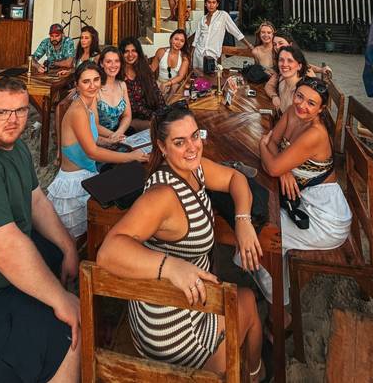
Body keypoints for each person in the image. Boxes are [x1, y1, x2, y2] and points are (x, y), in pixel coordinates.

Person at [96, 102, 265, 380]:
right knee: (247, 299)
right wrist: (172, 266)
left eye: (195, 136)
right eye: (179, 142)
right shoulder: (162, 195)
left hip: (177, 300)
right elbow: (109, 251)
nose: (192, 147)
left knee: (242, 295)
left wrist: (243, 220)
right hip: (171, 328)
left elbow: (235, 177)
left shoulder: (193, 169)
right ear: (162, 147)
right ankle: (255, 373)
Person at [0, 76, 81, 383]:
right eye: (2, 112)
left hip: (8, 273)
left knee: (57, 258)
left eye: (21, 111)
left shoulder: (16, 149)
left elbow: (36, 201)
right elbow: (7, 248)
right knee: (68, 337)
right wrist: (60, 300)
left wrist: (68, 247)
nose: (13, 120)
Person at [257, 77, 352, 315]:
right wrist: (283, 167)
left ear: (321, 109)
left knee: (260, 237)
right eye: (300, 96)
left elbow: (270, 158)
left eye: (311, 103)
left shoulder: (315, 133)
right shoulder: (292, 112)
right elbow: (276, 145)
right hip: (304, 200)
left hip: (325, 218)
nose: (302, 105)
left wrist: (265, 149)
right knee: (260, 224)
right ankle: (277, 290)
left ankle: (281, 312)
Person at [47, 62, 148, 237]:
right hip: (74, 183)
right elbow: (92, 151)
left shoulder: (87, 105)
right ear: (76, 84)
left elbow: (91, 138)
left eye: (95, 80)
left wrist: (111, 141)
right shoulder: (78, 110)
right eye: (86, 82)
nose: (92, 85)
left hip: (87, 174)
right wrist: (130, 156)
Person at [192, 0, 253, 71]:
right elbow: (196, 38)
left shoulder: (223, 16)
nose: (211, 5)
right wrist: (192, 53)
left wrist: (249, 45)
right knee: (197, 78)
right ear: (205, 4)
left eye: (214, 2)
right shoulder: (202, 19)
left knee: (210, 78)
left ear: (217, 4)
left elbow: (236, 32)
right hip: (198, 53)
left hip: (212, 55)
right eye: (209, 2)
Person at [118, 37, 166, 130]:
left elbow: (157, 92)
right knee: (159, 127)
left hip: (151, 114)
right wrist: (154, 116)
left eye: (134, 51)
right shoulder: (119, 75)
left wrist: (163, 111)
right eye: (126, 51)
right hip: (131, 118)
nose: (130, 55)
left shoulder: (145, 69)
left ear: (138, 53)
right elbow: (134, 106)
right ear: (121, 54)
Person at [97, 46, 132, 142]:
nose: (113, 65)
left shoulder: (122, 85)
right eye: (108, 62)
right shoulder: (95, 87)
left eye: (117, 61)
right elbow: (93, 125)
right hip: (99, 138)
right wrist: (114, 136)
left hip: (119, 134)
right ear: (101, 64)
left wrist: (119, 132)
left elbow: (127, 115)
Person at [265, 45, 309, 115]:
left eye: (290, 61)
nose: (284, 64)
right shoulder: (282, 79)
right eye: (281, 60)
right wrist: (274, 96)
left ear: (299, 66)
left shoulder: (301, 92)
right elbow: (268, 86)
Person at [150, 29, 190, 98]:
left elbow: (180, 76)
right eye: (176, 39)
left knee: (174, 92)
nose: (178, 43)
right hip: (160, 82)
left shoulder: (184, 58)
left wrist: (167, 84)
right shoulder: (161, 52)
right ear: (171, 39)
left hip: (175, 85)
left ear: (184, 44)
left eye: (182, 41)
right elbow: (152, 69)